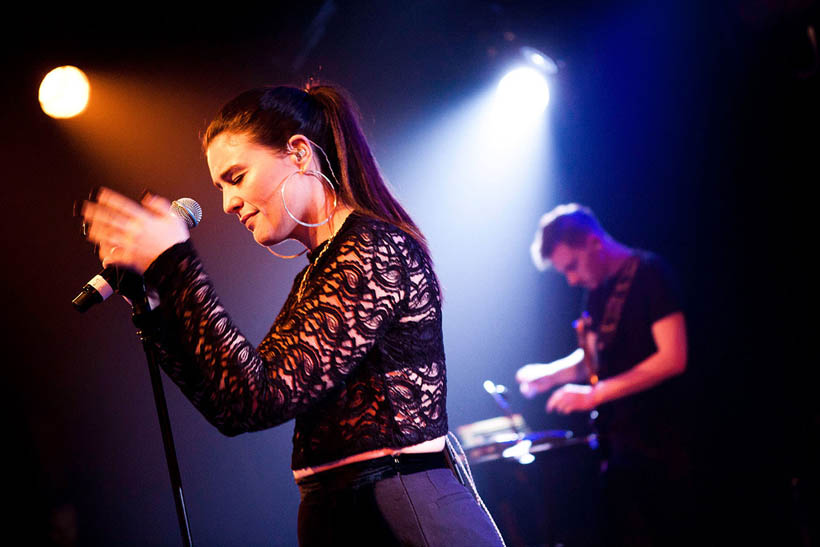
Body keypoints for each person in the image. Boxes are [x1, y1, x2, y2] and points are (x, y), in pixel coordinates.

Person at [79, 84, 502, 546]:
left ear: (299, 153)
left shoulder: (374, 250)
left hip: (399, 511)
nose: (227, 204)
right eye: (220, 187)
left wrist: (177, 263)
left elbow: (262, 396)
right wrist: (159, 308)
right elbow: (233, 405)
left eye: (236, 177)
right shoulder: (317, 273)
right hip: (345, 514)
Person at [516, 203, 692, 546]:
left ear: (594, 243)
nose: (572, 279)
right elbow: (592, 359)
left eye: (572, 266)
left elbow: (673, 357)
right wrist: (549, 375)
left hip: (665, 447)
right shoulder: (598, 291)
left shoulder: (650, 274)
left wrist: (596, 394)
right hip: (622, 450)